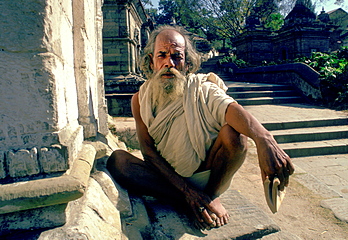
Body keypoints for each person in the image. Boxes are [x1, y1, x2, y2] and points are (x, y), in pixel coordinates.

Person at [107, 25, 294, 230]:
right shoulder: (139, 99)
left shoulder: (201, 88)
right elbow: (149, 154)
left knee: (235, 135)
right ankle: (195, 200)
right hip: (167, 179)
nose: (169, 63)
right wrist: (187, 191)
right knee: (118, 161)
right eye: (162, 55)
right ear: (152, 61)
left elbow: (231, 109)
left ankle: (210, 195)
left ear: (187, 64)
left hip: (209, 174)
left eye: (177, 56)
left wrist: (264, 139)